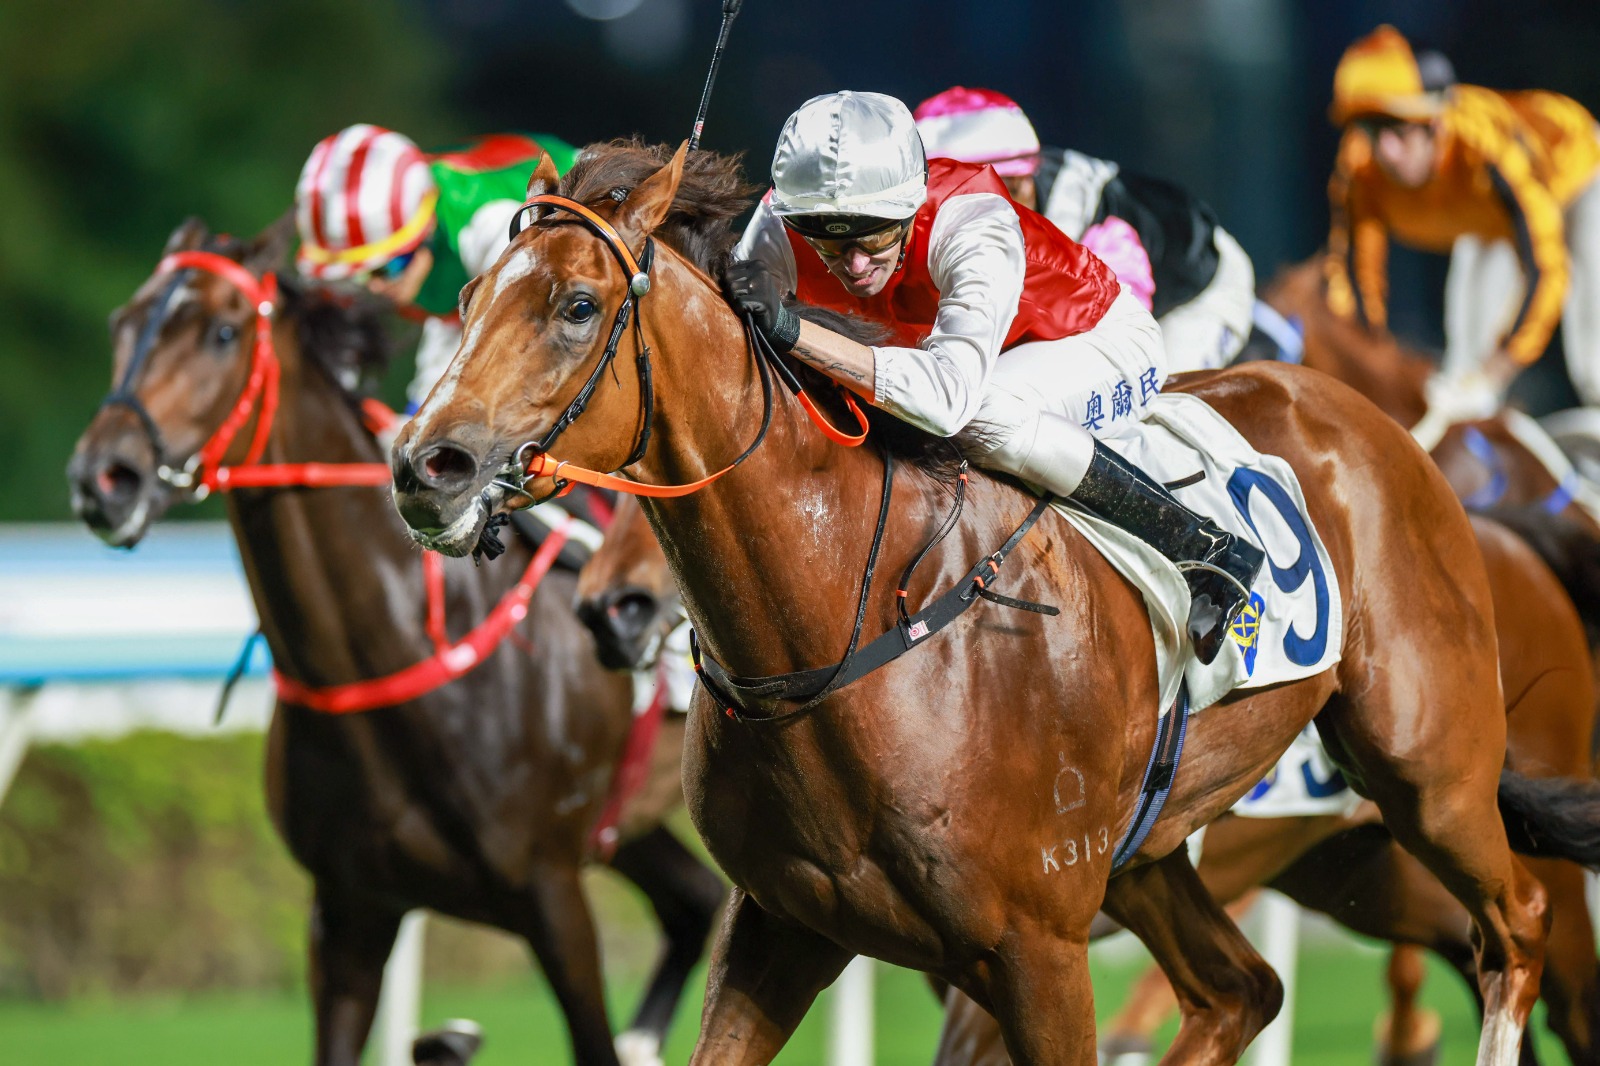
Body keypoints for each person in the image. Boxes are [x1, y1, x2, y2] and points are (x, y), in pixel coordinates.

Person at [726, 91, 1263, 663]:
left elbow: (947, 400)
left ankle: (1203, 548)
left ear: (912, 204)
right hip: (974, 359)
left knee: (979, 415)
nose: (854, 264)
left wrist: (794, 330)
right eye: (828, 238)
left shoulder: (972, 219)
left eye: (874, 234)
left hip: (1097, 341)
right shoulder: (783, 221)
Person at [1325, 25, 1600, 408]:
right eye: (1372, 128)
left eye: (1399, 130)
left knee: (1594, 366)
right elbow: (1357, 275)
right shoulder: (1359, 163)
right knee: (1461, 371)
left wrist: (1498, 370)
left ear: (1435, 125)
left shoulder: (1484, 147)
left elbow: (1546, 267)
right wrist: (1371, 369)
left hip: (1579, 174)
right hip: (1490, 217)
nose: (1385, 150)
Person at [913, 86, 1256, 373]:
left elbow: (1122, 337)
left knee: (1152, 396)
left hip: (1201, 293)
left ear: (1021, 180)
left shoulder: (1078, 221)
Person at [294, 125, 579, 412]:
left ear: (425, 230)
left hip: (584, 205)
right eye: (356, 274)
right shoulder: (408, 217)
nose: (374, 287)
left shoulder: (484, 225)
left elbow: (536, 340)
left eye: (388, 268)